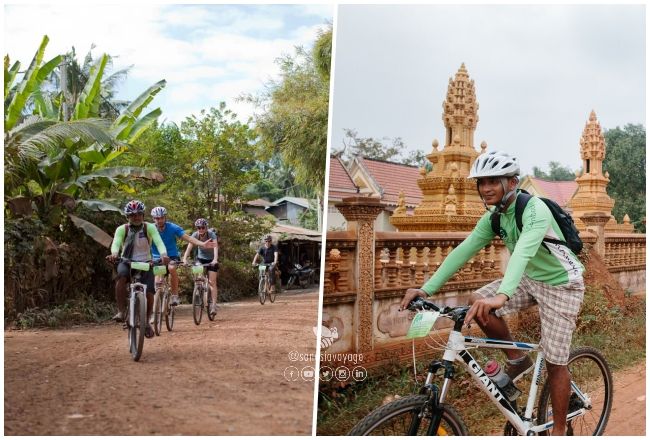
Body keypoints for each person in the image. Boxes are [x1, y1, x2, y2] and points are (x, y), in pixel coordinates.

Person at [399, 151, 584, 436]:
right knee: (477, 302)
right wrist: (426, 288)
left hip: (562, 285)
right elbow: (464, 249)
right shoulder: (495, 216)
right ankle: (517, 359)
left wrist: (503, 295)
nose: (486, 188)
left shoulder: (534, 209)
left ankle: (559, 430)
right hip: (530, 279)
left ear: (512, 182)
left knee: (555, 362)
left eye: (493, 182)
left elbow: (522, 253)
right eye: (482, 182)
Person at [106, 200, 170, 338]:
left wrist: (164, 255)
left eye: (139, 214)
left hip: (146, 262)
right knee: (121, 277)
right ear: (127, 217)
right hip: (126, 261)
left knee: (150, 293)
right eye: (132, 215)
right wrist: (114, 254)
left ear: (143, 215)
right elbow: (116, 243)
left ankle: (146, 322)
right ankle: (122, 311)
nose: (136, 217)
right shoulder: (122, 229)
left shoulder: (149, 228)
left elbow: (159, 242)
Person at [150, 206, 218, 306]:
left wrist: (202, 244)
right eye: (156, 218)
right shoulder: (150, 228)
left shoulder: (172, 227)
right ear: (153, 219)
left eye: (161, 218)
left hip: (172, 256)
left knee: (172, 268)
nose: (159, 220)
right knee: (157, 283)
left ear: (165, 217)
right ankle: (156, 312)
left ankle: (174, 295)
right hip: (157, 257)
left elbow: (188, 238)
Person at [182, 218, 219, 315]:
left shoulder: (211, 234)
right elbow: (189, 247)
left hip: (211, 259)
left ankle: (214, 306)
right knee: (197, 275)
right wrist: (185, 259)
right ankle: (198, 288)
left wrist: (215, 260)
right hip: (200, 258)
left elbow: (215, 248)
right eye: (199, 228)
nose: (201, 229)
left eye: (203, 227)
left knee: (212, 282)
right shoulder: (195, 235)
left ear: (206, 227)